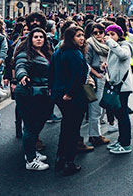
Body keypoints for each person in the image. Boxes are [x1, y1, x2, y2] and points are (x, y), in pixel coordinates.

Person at [49, 26, 90, 175]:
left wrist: (53, 90)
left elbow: (51, 72)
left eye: (82, 35)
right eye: (78, 35)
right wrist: (70, 93)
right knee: (73, 130)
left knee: (65, 128)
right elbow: (78, 76)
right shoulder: (75, 54)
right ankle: (69, 162)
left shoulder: (58, 52)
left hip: (59, 94)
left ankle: (60, 158)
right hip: (73, 96)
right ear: (70, 37)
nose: (81, 38)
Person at [13, 28, 52, 170]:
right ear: (31, 39)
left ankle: (31, 152)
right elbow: (20, 65)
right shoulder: (25, 54)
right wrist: (22, 76)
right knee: (30, 126)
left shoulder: (46, 53)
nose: (39, 39)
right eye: (36, 36)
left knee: (39, 123)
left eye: (41, 36)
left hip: (42, 94)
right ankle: (30, 160)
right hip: (28, 93)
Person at [104, 24, 133, 154]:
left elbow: (123, 56)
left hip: (122, 86)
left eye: (113, 34)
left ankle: (126, 143)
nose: (110, 37)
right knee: (119, 114)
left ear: (119, 35)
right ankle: (121, 140)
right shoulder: (114, 46)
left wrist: (110, 42)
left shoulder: (124, 45)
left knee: (122, 115)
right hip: (116, 85)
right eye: (108, 34)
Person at [84, 23, 111, 147]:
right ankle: (94, 136)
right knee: (95, 108)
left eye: (101, 32)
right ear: (91, 34)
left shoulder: (106, 44)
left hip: (105, 77)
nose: (99, 35)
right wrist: (97, 73)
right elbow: (86, 64)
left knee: (102, 108)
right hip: (96, 78)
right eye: (95, 33)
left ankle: (96, 134)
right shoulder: (89, 45)